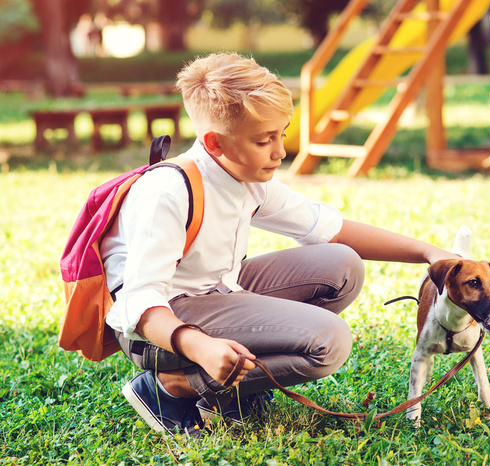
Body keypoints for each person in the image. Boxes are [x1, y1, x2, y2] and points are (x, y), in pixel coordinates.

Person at [101, 52, 461, 435]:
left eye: (282, 134)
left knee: (342, 266)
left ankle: (226, 395)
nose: (280, 151)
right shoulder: (169, 194)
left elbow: (331, 229)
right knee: (329, 341)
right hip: (156, 329)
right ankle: (172, 388)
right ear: (215, 143)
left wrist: (429, 253)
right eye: (264, 140)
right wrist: (201, 349)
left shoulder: (248, 176)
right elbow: (139, 304)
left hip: (218, 290)